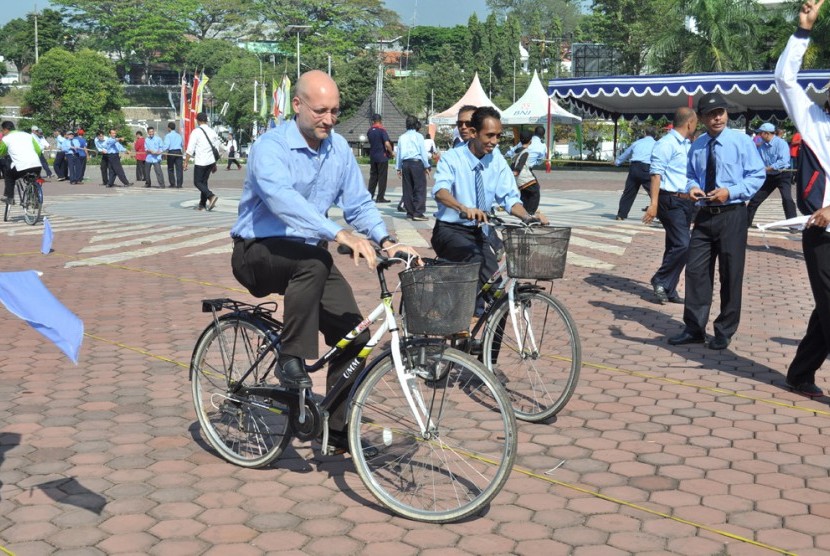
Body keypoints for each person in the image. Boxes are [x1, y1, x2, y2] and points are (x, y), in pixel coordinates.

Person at [229, 70, 420, 452]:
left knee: (356, 338)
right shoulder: (270, 148)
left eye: (334, 111)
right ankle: (291, 358)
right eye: (320, 111)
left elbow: (359, 203)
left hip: (308, 256)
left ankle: (334, 429)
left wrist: (386, 239)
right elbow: (282, 200)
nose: (329, 120)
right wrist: (339, 234)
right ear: (297, 105)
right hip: (257, 251)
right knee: (315, 261)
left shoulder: (338, 150)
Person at [667, 92, 765, 350]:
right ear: (702, 118)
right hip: (704, 214)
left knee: (730, 274)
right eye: (711, 114)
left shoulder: (741, 142)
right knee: (697, 271)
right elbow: (690, 175)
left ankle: (724, 329)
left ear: (726, 114)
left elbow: (757, 176)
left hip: (732, 214)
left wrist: (730, 191)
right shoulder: (698, 144)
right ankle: (694, 328)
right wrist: (692, 188)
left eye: (721, 112)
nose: (717, 117)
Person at [776, 0, 830, 397]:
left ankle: (799, 372)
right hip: (822, 235)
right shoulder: (815, 122)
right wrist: (803, 31)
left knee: (826, 311)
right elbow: (784, 79)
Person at [431, 106, 536, 297]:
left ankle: (492, 324)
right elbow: (440, 191)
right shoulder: (452, 159)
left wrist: (529, 217)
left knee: (497, 290)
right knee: (477, 264)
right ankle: (468, 317)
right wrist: (463, 208)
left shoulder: (497, 160)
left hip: (479, 233)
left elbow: (510, 198)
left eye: (498, 136)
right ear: (473, 133)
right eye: (489, 135)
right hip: (449, 230)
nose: (494, 142)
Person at [643, 107, 698, 304]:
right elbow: (655, 174)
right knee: (684, 244)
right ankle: (660, 278)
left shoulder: (686, 144)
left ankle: (668, 288)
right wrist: (654, 204)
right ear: (690, 123)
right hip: (670, 200)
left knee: (675, 245)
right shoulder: (666, 143)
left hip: (685, 200)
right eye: (696, 122)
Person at [746, 122, 796, 227]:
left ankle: (793, 225)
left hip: (783, 175)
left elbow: (784, 161)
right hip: (769, 176)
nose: (758, 136)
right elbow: (757, 160)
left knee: (787, 199)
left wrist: (768, 168)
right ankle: (745, 223)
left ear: (767, 133)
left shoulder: (781, 143)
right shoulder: (761, 146)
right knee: (755, 199)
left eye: (760, 133)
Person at [614, 129, 657, 220]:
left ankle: (621, 215)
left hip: (634, 167)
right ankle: (663, 216)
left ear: (645, 133)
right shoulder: (656, 144)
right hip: (647, 168)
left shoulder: (637, 143)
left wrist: (617, 162)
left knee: (629, 192)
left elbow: (626, 154)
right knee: (654, 192)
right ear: (655, 136)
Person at [395, 115, 431, 221]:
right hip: (416, 163)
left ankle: (410, 212)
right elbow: (423, 152)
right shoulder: (419, 136)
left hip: (405, 164)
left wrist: (398, 168)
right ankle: (418, 212)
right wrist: (427, 165)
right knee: (419, 188)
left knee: (407, 189)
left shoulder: (402, 137)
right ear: (416, 124)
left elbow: (399, 153)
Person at [184, 112, 219, 211]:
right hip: (210, 161)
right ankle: (202, 204)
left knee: (197, 182)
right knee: (204, 182)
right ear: (206, 120)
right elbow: (216, 148)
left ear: (198, 120)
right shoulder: (212, 132)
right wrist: (214, 164)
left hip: (201, 161)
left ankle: (211, 196)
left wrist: (186, 161)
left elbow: (190, 148)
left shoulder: (196, 132)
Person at [0, 121, 42, 203]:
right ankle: (35, 199)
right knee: (32, 179)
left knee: (9, 175)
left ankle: (10, 198)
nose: (2, 133)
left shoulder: (6, 139)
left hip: (22, 166)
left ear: (5, 129)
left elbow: (1, 152)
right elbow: (38, 150)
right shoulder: (28, 135)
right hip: (36, 165)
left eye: (2, 130)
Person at [510, 129, 545, 219]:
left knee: (525, 193)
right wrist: (517, 171)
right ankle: (530, 213)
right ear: (530, 140)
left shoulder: (517, 150)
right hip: (524, 175)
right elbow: (521, 162)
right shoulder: (526, 151)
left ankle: (523, 211)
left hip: (519, 177)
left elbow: (512, 160)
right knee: (535, 191)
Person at [366, 113, 393, 202]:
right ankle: (380, 197)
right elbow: (387, 143)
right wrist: (391, 152)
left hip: (373, 156)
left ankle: (370, 196)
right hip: (382, 156)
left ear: (373, 121)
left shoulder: (369, 131)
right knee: (382, 177)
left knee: (373, 177)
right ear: (380, 121)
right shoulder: (382, 130)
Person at [164, 122, 184, 188]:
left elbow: (167, 145)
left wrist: (160, 150)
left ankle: (172, 183)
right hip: (178, 152)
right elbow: (182, 144)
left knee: (170, 168)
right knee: (179, 169)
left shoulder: (168, 135)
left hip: (171, 152)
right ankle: (179, 184)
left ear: (169, 128)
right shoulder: (179, 135)